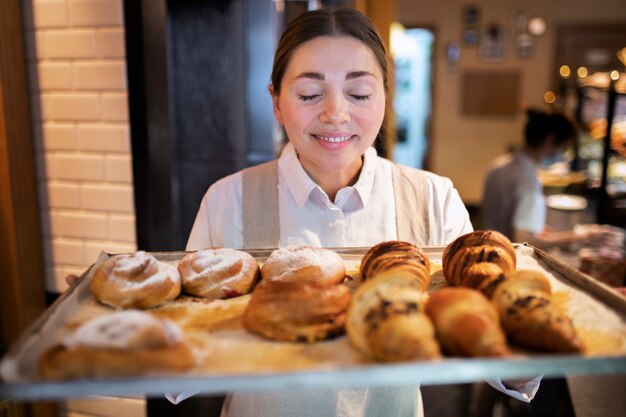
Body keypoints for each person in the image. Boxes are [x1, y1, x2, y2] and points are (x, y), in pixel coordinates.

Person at [176, 6, 541, 417]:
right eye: (310, 94)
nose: (336, 113)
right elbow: (184, 358)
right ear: (276, 102)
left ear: (386, 97)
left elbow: (496, 351)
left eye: (360, 93)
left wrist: (523, 344)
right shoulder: (229, 200)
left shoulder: (432, 198)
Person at [482, 108, 588, 249]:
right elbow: (524, 241)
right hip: (509, 255)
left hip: (491, 245)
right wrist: (576, 238)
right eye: (563, 148)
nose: (562, 156)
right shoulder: (528, 181)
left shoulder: (498, 165)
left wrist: (535, 228)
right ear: (550, 141)